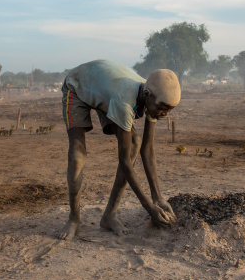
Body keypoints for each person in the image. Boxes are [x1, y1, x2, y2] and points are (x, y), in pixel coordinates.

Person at [56, 60, 181, 240]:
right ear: (147, 95)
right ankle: (74, 218)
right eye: (162, 109)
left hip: (107, 91)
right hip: (79, 85)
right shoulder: (126, 100)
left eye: (170, 111)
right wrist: (149, 208)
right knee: (77, 155)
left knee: (135, 144)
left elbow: (148, 150)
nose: (164, 115)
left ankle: (109, 216)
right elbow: (124, 163)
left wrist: (158, 198)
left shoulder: (154, 92)